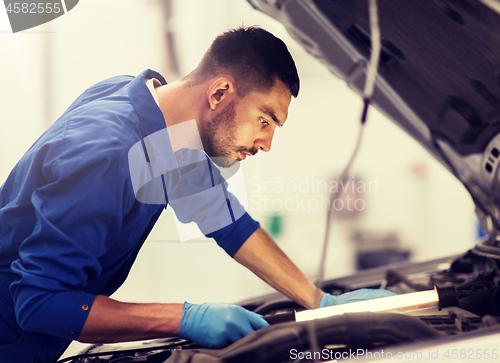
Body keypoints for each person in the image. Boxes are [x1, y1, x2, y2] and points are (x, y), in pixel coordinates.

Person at [0, 26, 393, 362]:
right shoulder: (108, 153)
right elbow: (39, 302)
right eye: (264, 119)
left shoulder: (163, 129)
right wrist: (185, 318)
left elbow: (228, 223)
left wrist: (318, 300)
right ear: (220, 93)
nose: (266, 143)